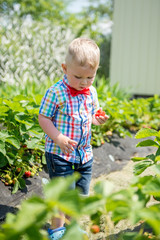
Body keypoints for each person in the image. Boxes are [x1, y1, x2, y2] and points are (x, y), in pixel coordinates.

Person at [38, 37, 109, 240]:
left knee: (78, 195)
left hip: (84, 154)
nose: (84, 82)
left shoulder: (91, 92)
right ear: (64, 68)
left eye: (90, 77)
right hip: (60, 153)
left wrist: (98, 119)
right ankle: (57, 230)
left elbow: (90, 116)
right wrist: (58, 137)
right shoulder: (55, 93)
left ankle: (71, 228)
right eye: (78, 77)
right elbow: (43, 118)